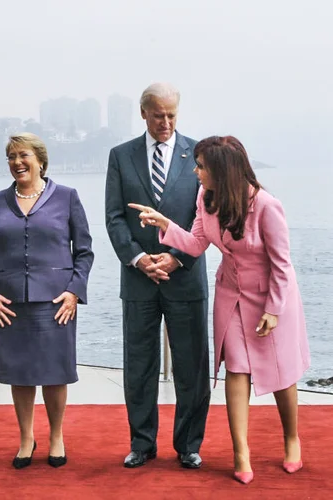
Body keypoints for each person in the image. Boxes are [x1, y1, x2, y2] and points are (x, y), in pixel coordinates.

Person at [129, 135, 310, 484]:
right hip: (230, 295)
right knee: (237, 370)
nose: (196, 172)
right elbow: (196, 244)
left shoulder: (267, 206)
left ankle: (292, 439)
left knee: (282, 373)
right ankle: (241, 452)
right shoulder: (205, 198)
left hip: (273, 297)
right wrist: (164, 224)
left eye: (201, 166)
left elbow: (283, 265)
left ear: (222, 170)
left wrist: (273, 309)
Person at [104, 82, 211, 469]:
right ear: (143, 112)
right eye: (158, 114)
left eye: (172, 115)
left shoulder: (199, 155)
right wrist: (137, 259)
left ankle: (188, 445)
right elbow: (114, 216)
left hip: (185, 277)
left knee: (191, 367)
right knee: (139, 365)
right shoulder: (120, 156)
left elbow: (206, 217)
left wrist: (177, 257)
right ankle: (142, 444)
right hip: (138, 281)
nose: (165, 122)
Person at [0, 133, 94, 469]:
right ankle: (26, 437)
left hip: (56, 303)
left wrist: (74, 291)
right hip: (8, 305)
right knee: (20, 373)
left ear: (40, 159)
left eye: (23, 155)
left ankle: (56, 435)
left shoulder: (67, 198)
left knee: (56, 374)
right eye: (11, 156)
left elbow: (84, 252)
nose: (16, 162)